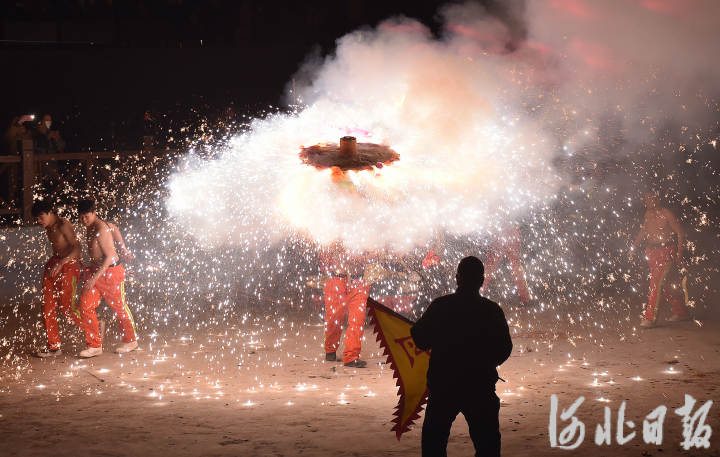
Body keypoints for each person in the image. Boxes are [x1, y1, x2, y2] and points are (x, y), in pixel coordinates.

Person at [411, 256, 512, 457]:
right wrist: (486, 363)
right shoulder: (491, 310)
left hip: (443, 388)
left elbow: (421, 340)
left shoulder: (440, 306)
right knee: (488, 447)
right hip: (480, 387)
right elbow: (504, 348)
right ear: (481, 280)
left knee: (433, 446)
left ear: (457, 278)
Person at [76, 199, 138, 357]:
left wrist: (93, 278)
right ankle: (95, 345)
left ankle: (131, 340)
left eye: (86, 216)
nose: (84, 220)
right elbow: (115, 228)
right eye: (81, 217)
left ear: (94, 213)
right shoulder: (93, 226)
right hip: (97, 271)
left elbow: (110, 256)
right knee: (85, 305)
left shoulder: (100, 228)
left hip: (110, 272)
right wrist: (123, 248)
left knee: (119, 308)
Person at [32, 201, 83, 357]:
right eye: (37, 219)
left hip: (70, 264)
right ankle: (54, 346)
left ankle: (92, 324)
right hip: (55, 261)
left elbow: (78, 248)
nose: (39, 221)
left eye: (41, 217)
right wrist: (56, 262)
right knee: (47, 306)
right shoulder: (48, 227)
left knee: (66, 307)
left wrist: (62, 262)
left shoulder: (63, 225)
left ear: (50, 212)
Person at [631, 191, 688, 328]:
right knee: (665, 285)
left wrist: (679, 253)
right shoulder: (648, 214)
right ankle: (682, 312)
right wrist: (633, 246)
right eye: (646, 198)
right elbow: (644, 231)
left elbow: (680, 233)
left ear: (658, 199)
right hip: (652, 252)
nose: (648, 201)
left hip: (666, 251)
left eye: (650, 198)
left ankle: (650, 318)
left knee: (655, 283)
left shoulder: (667, 213)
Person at [319, 242, 370, 368]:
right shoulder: (336, 233)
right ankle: (330, 350)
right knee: (333, 319)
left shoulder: (368, 233)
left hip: (358, 283)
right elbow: (326, 253)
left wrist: (376, 254)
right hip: (337, 281)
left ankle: (351, 357)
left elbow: (373, 255)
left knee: (357, 320)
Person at [480, 223, 534, 306]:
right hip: (511, 234)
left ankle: (477, 294)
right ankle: (526, 299)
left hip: (503, 235)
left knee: (489, 268)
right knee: (516, 267)